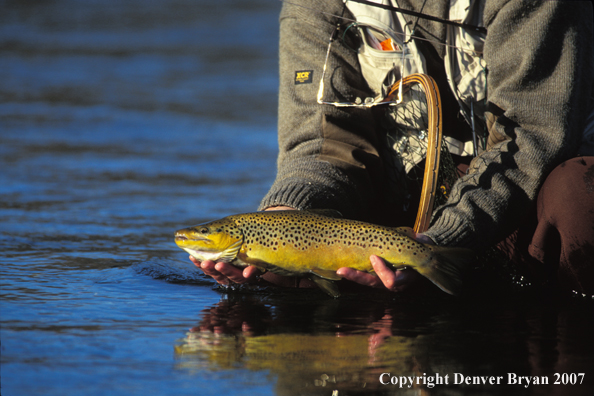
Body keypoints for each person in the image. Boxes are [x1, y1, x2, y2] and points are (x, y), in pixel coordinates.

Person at [192, 0, 594, 296]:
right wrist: (286, 217)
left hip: (525, 205)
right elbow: (323, 144)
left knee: (580, 195)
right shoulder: (317, 6)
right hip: (401, 207)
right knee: (276, 273)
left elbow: (528, 138)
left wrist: (445, 238)